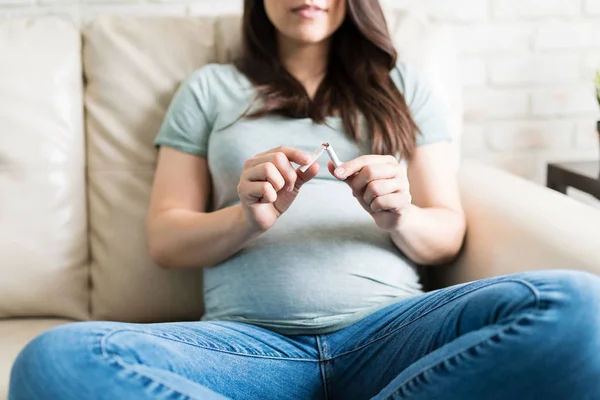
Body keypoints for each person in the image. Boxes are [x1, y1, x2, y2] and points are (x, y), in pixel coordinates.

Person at [9, 0, 600, 399]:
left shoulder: (404, 87)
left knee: (583, 305)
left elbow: (448, 231)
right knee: (53, 361)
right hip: (247, 346)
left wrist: (400, 216)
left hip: (391, 333)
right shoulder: (209, 89)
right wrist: (246, 218)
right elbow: (165, 239)